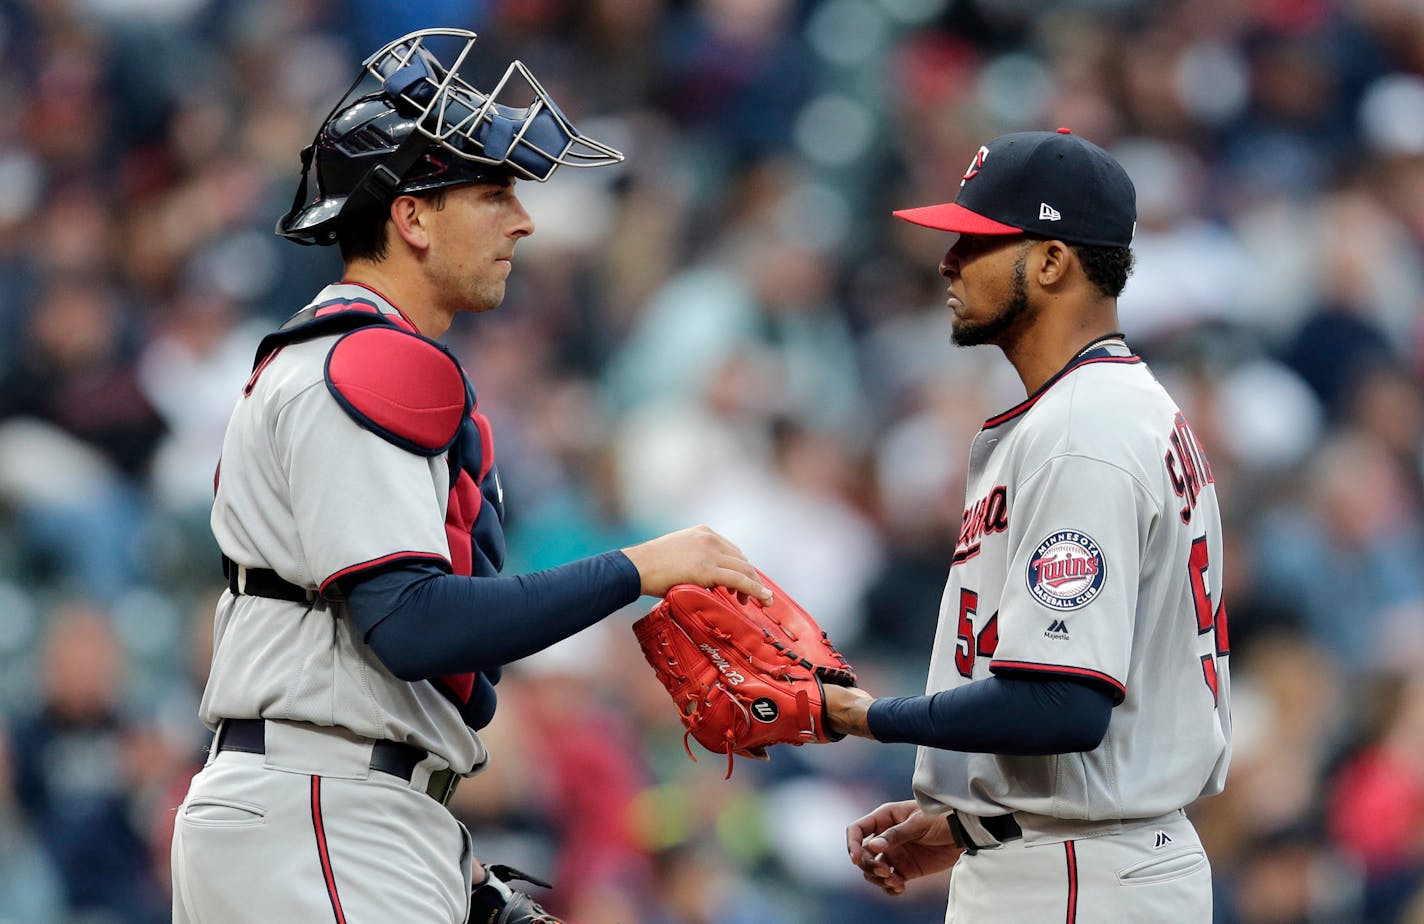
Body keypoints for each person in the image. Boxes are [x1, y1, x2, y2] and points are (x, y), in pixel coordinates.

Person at [168, 28, 769, 924]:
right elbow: (409, 624)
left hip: (332, 807)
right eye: (492, 193)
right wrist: (638, 568)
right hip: (324, 811)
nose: (522, 219)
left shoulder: (335, 355)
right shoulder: (366, 362)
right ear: (411, 216)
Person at [823, 128, 1232, 921]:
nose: (947, 260)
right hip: (1089, 856)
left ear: (1050, 262)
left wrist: (866, 716)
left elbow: (1061, 704)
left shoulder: (1086, 428)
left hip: (1081, 876)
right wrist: (975, 822)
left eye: (976, 240)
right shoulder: (1114, 408)